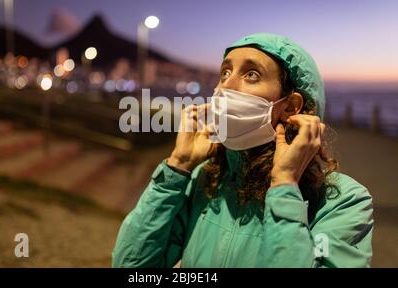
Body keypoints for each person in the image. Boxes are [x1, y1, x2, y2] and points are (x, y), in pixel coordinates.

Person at [112, 33, 374, 268]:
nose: (225, 86)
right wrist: (177, 167)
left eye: (251, 74)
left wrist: (285, 187)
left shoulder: (344, 202)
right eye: (225, 72)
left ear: (291, 106)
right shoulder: (205, 180)